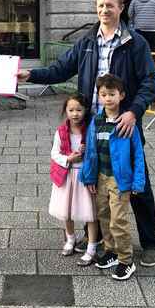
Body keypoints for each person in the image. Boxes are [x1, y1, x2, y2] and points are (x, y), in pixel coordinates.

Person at [18, 0, 155, 268]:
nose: (104, 10)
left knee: (136, 184)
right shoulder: (87, 41)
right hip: (92, 128)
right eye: (100, 5)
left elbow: (150, 83)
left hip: (123, 126)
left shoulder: (136, 43)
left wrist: (133, 112)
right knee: (94, 185)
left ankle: (150, 242)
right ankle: (101, 240)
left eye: (110, 5)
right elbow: (60, 69)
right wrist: (30, 73)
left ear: (121, 8)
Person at [80, 74, 146, 281]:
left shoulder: (127, 122)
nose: (108, 98)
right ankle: (111, 251)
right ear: (98, 97)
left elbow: (138, 154)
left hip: (120, 180)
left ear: (121, 95)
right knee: (104, 216)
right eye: (103, 95)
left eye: (112, 94)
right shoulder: (96, 121)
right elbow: (91, 150)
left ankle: (126, 260)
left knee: (119, 220)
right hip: (101, 177)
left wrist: (137, 182)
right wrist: (89, 177)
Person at [48, 93, 100, 266]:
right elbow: (55, 153)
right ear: (66, 111)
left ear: (85, 111)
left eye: (79, 109)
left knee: (90, 214)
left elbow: (96, 154)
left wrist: (86, 153)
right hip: (67, 174)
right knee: (67, 211)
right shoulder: (61, 131)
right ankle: (70, 239)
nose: (75, 113)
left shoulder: (91, 130)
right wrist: (68, 159)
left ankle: (91, 247)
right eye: (71, 110)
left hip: (85, 176)